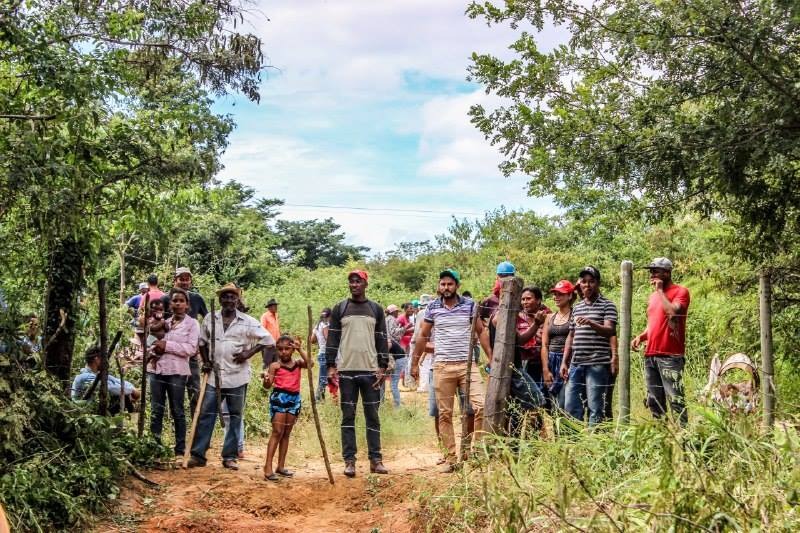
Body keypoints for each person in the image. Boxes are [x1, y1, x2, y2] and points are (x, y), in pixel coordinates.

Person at [187, 283, 274, 469]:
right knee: (206, 414)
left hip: (237, 376)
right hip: (213, 376)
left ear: (237, 300)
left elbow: (268, 339)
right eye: (225, 297)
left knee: (235, 416)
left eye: (232, 297)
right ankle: (198, 455)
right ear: (220, 300)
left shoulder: (248, 321)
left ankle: (229, 456)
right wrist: (206, 361)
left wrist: (248, 353)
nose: (229, 300)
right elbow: (202, 342)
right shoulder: (211, 318)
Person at [411, 269, 489, 472]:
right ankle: (451, 458)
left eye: (450, 284)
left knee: (481, 406)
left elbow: (481, 331)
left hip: (467, 365)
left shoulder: (469, 305)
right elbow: (423, 335)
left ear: (457, 286)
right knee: (445, 414)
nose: (446, 288)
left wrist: (491, 357)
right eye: (443, 284)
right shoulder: (432, 307)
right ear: (439, 286)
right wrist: (414, 363)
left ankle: (476, 452)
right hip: (442, 366)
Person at [325, 270, 389, 477]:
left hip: (371, 371)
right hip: (346, 372)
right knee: (348, 417)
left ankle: (376, 460)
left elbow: (381, 338)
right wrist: (330, 366)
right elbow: (332, 339)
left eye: (358, 281)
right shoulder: (340, 308)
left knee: (373, 416)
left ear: (365, 284)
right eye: (351, 282)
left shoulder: (376, 309)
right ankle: (349, 461)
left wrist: (382, 366)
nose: (354, 285)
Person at [632, 258, 691, 425]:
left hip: (670, 356)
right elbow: (654, 323)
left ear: (667, 273)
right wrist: (641, 336)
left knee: (676, 399)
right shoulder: (653, 297)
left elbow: (672, 313)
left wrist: (659, 291)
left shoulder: (681, 292)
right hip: (650, 354)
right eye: (650, 271)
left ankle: (685, 437)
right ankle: (662, 436)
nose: (652, 275)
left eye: (655, 271)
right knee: (654, 402)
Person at [560, 266, 618, 426]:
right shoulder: (578, 307)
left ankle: (595, 439)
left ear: (598, 283)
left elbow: (610, 330)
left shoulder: (607, 305)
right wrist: (565, 362)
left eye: (591, 281)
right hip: (577, 363)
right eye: (584, 282)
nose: (587, 285)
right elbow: (571, 336)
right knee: (571, 406)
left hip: (597, 363)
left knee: (595, 407)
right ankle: (577, 439)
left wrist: (591, 323)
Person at [148, 287, 199, 455]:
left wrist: (167, 346)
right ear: (170, 304)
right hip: (157, 370)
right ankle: (154, 446)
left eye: (181, 301)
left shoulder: (192, 324)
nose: (177, 304)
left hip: (177, 372)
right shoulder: (164, 322)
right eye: (174, 301)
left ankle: (180, 448)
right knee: (156, 409)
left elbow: (191, 349)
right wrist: (155, 347)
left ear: (187, 305)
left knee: (177, 409)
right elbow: (150, 340)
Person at [262, 335, 310, 481]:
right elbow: (267, 386)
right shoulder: (275, 366)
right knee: (277, 431)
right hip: (279, 398)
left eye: (287, 349)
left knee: (286, 433)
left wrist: (300, 349)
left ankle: (281, 466)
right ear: (277, 350)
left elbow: (310, 364)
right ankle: (268, 467)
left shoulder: (298, 363)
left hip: (294, 399)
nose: (283, 352)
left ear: (292, 349)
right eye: (280, 349)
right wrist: (266, 380)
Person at [71, 344, 140, 413]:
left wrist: (132, 388)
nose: (106, 362)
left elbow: (117, 381)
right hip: (86, 413)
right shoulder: (85, 376)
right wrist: (132, 390)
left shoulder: (98, 374)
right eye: (104, 359)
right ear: (96, 359)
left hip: (96, 410)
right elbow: (110, 389)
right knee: (121, 396)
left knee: (124, 395)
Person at [540, 280, 575, 411]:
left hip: (567, 361)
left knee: (565, 402)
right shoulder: (549, 317)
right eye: (555, 294)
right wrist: (545, 369)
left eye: (561, 294)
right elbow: (544, 344)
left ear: (570, 296)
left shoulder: (574, 315)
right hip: (551, 360)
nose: (556, 297)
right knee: (552, 403)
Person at [260, 298, 280, 369]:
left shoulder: (276, 315)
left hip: (276, 344)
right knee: (267, 365)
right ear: (269, 307)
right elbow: (262, 330)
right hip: (268, 345)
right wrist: (266, 343)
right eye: (274, 306)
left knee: (276, 365)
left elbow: (277, 329)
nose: (276, 307)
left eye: (276, 306)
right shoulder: (265, 316)